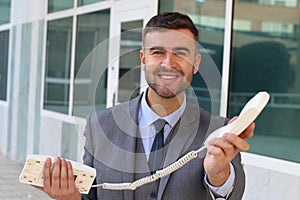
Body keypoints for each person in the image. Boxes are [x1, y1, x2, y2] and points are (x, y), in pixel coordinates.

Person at [37, 12, 254, 200]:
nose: (168, 64)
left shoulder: (220, 132)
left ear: (195, 63)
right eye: (157, 52)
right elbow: (91, 194)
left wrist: (218, 175)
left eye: (180, 53)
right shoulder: (100, 124)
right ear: (143, 59)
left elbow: (233, 195)